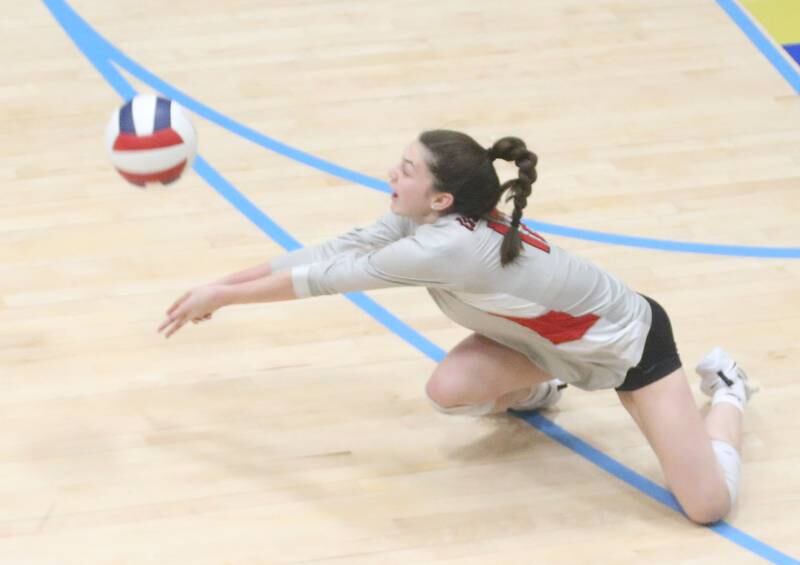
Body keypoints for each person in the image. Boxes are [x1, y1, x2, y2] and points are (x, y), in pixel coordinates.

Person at [158, 130, 757, 525]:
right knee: (449, 392)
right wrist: (219, 287)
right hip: (544, 346)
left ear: (440, 199)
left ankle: (728, 389)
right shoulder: (420, 221)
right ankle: (543, 391)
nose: (392, 173)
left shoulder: (442, 249)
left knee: (707, 507)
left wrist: (225, 298)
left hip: (630, 346)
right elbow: (325, 251)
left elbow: (321, 280)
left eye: (407, 168)